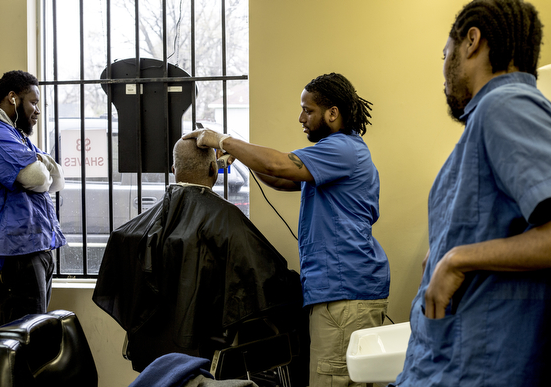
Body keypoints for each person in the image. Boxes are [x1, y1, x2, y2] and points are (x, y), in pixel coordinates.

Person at [184, 73, 390, 387]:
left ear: (332, 113)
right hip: (344, 292)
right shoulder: (339, 153)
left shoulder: (342, 149)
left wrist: (223, 140)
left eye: (308, 110)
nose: (301, 118)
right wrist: (242, 156)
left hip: (345, 295)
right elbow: (280, 178)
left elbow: (279, 165)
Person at [393, 1, 551, 385]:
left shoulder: (505, 104)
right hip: (453, 359)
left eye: (446, 53)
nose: (444, 71)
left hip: (476, 366)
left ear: (471, 42)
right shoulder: (489, 117)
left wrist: (457, 260)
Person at [93, 138, 306, 378]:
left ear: (174, 171)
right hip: (208, 352)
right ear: (214, 169)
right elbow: (269, 281)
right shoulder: (226, 219)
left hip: (152, 357)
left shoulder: (131, 232)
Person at [0, 70, 65, 326]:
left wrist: (40, 161)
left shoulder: (15, 135)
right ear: (12, 98)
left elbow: (58, 180)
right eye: (33, 102)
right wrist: (39, 165)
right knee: (25, 347)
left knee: (36, 343)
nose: (37, 110)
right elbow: (37, 179)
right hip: (10, 256)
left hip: (30, 248)